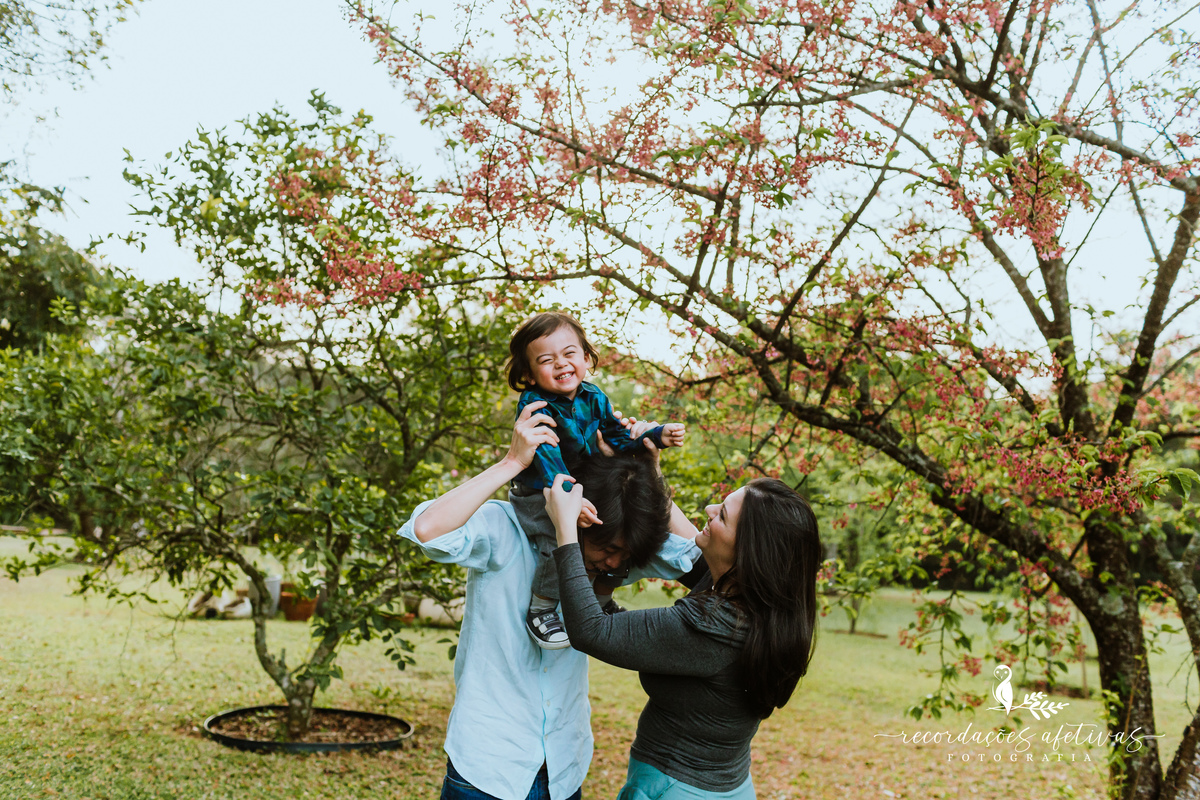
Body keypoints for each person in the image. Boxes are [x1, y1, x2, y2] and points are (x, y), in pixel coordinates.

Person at [399, 402, 701, 800]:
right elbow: (427, 531)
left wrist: (643, 470)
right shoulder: (504, 530)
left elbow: (692, 558)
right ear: (581, 516)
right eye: (609, 548)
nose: (614, 563)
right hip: (486, 764)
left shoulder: (613, 563)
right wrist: (512, 462)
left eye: (623, 557)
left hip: (563, 765)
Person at [544, 471, 822, 799]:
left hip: (677, 788)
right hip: (727, 786)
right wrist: (645, 469)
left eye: (721, 514)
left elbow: (591, 631)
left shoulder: (714, 626)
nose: (708, 508)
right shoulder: (759, 599)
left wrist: (565, 529)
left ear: (746, 549)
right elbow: (692, 541)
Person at [505, 311, 686, 650]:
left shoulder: (594, 397)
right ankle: (542, 608)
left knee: (619, 532)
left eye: (569, 353)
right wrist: (570, 498)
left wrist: (656, 436)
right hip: (541, 493)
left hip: (582, 489)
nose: (561, 364)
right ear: (529, 374)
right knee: (556, 537)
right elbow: (547, 457)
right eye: (546, 360)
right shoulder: (535, 405)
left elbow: (616, 437)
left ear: (586, 358)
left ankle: (601, 603)